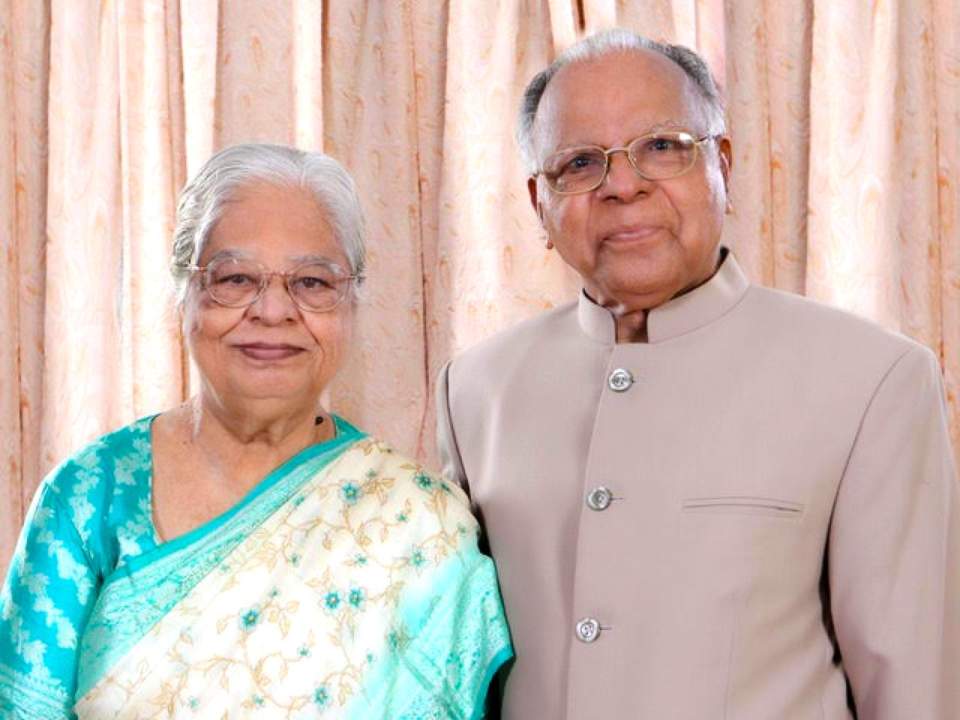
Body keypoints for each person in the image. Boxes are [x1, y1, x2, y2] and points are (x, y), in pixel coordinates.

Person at [436, 29, 959, 719]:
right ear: (539, 203)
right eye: (581, 163)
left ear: (724, 167)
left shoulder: (873, 380)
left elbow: (915, 688)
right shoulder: (475, 389)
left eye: (663, 147)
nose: (623, 186)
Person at [0, 143, 512, 719]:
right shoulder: (91, 494)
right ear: (183, 291)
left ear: (352, 301)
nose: (273, 310)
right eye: (235, 278)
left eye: (313, 282)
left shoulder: (422, 525)